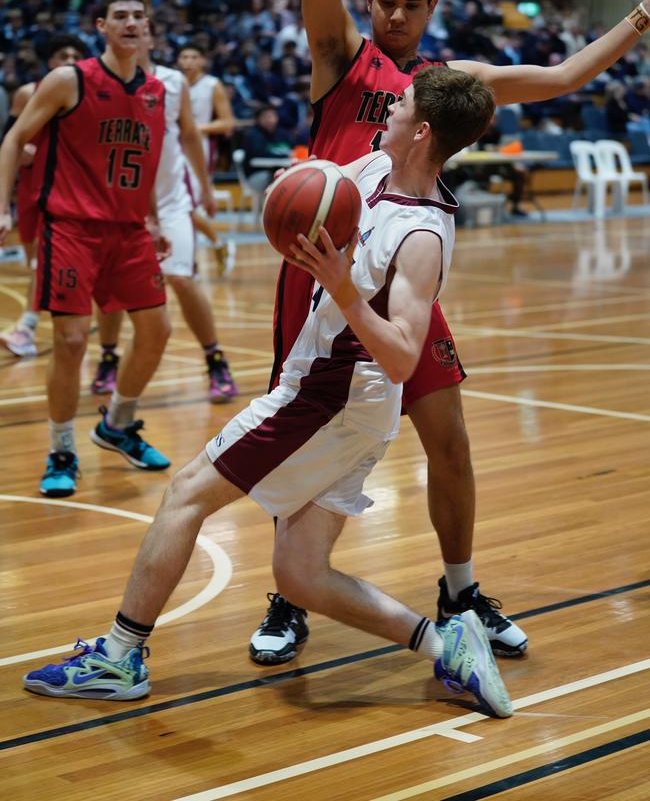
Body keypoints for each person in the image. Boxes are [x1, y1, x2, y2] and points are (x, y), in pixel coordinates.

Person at [248, 0, 650, 666]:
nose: (395, 16)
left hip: (401, 275)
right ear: (370, 1)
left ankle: (461, 590)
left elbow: (561, 75)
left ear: (432, 7)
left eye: (410, 4)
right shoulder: (339, 56)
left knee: (450, 436)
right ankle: (288, 595)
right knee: (300, 433)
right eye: (385, 1)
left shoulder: (447, 84)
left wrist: (642, 18)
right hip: (318, 274)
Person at [21, 66, 513, 721]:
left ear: (421, 130)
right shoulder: (371, 172)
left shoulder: (419, 235)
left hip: (332, 397)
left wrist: (341, 286)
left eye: (399, 105)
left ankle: (118, 656)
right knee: (300, 575)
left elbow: (400, 356)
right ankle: (449, 644)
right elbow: (317, 193)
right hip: (343, 400)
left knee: (187, 493)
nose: (387, 108)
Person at [0, 0, 173, 497]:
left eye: (138, 16)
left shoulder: (155, 91)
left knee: (157, 330)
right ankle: (61, 448)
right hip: (71, 227)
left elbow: (145, 163)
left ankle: (117, 424)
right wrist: (5, 206)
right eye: (119, 16)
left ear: (147, 27)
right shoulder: (68, 80)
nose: (130, 23)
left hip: (129, 230)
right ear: (101, 26)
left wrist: (156, 218)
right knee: (72, 342)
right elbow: (14, 139)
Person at [92, 25, 238, 404]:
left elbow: (190, 134)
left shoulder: (173, 82)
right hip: (120, 203)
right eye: (122, 24)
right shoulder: (95, 81)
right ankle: (108, 359)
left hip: (172, 198)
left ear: (151, 39)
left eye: (139, 27)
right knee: (111, 289)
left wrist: (205, 188)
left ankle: (215, 360)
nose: (132, 34)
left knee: (182, 279)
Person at [0, 34, 86, 358]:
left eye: (75, 54)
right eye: (62, 54)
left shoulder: (90, 96)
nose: (69, 59)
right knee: (35, 262)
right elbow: (11, 141)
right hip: (30, 186)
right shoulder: (27, 93)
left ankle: (27, 326)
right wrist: (24, 151)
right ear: (50, 62)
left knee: (42, 261)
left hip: (69, 189)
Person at [177, 43, 240, 276]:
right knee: (176, 205)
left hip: (198, 150)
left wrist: (194, 129)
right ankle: (194, 255)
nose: (188, 61)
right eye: (184, 56)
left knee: (185, 206)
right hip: (173, 147)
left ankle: (215, 242)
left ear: (203, 61)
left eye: (193, 56)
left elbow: (227, 123)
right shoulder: (174, 83)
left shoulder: (212, 85)